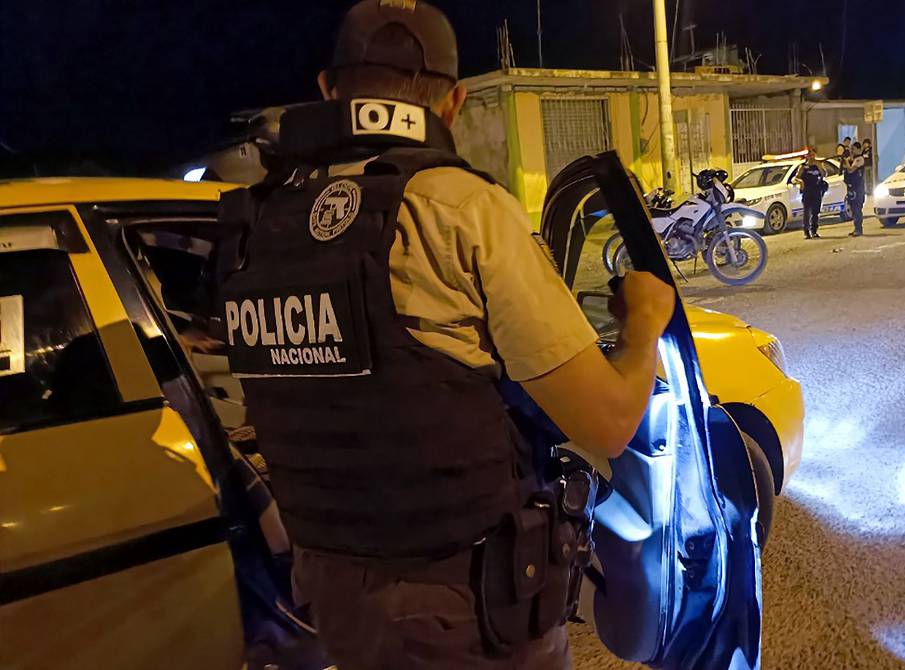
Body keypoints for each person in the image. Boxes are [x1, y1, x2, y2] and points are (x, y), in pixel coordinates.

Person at [216, 2, 676, 669]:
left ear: (327, 87)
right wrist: (643, 329)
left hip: (332, 593)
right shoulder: (461, 209)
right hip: (462, 607)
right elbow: (607, 424)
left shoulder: (255, 226)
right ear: (454, 101)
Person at [793, 148, 828, 239]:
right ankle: (806, 231)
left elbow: (824, 174)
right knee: (806, 212)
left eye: (813, 155)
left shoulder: (819, 164)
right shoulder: (803, 166)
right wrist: (801, 182)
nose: (812, 157)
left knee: (815, 212)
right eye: (810, 155)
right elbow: (796, 178)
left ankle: (814, 231)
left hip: (816, 190)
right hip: (807, 191)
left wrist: (819, 165)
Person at [843, 144, 866, 236]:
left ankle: (859, 229)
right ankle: (856, 228)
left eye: (853, 149)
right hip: (851, 187)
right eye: (850, 149)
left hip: (858, 187)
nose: (851, 151)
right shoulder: (853, 159)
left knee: (857, 208)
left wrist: (846, 161)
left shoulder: (859, 159)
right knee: (852, 207)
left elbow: (851, 170)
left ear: (858, 149)